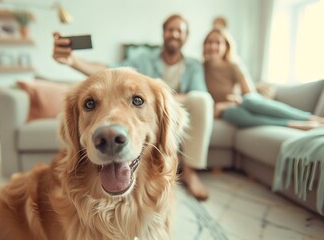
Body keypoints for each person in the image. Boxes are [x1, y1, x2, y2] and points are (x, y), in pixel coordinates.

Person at [52, 14, 214, 200]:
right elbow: (108, 70)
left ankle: (191, 171)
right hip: (153, 108)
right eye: (171, 30)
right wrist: (73, 61)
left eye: (180, 31)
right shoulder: (142, 59)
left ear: (186, 36)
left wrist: (163, 99)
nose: (174, 34)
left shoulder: (193, 65)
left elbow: (199, 92)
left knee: (202, 99)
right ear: (164, 33)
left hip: (173, 106)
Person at [202, 27, 324, 129]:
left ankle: (311, 118)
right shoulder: (199, 68)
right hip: (227, 111)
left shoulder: (234, 65)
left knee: (250, 101)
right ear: (204, 45)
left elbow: (249, 93)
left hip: (241, 102)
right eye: (209, 42)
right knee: (231, 114)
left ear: (226, 47)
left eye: (218, 42)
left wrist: (228, 104)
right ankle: (294, 125)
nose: (213, 46)